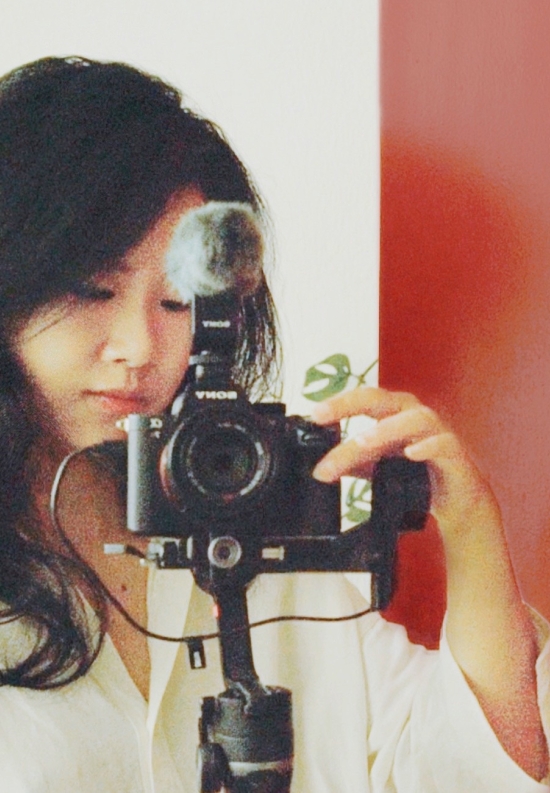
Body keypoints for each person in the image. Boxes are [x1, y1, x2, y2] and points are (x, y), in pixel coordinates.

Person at [0, 55, 547, 793]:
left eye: (176, 304)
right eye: (94, 288)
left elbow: (474, 773)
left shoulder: (253, 525)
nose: (138, 348)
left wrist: (471, 523)